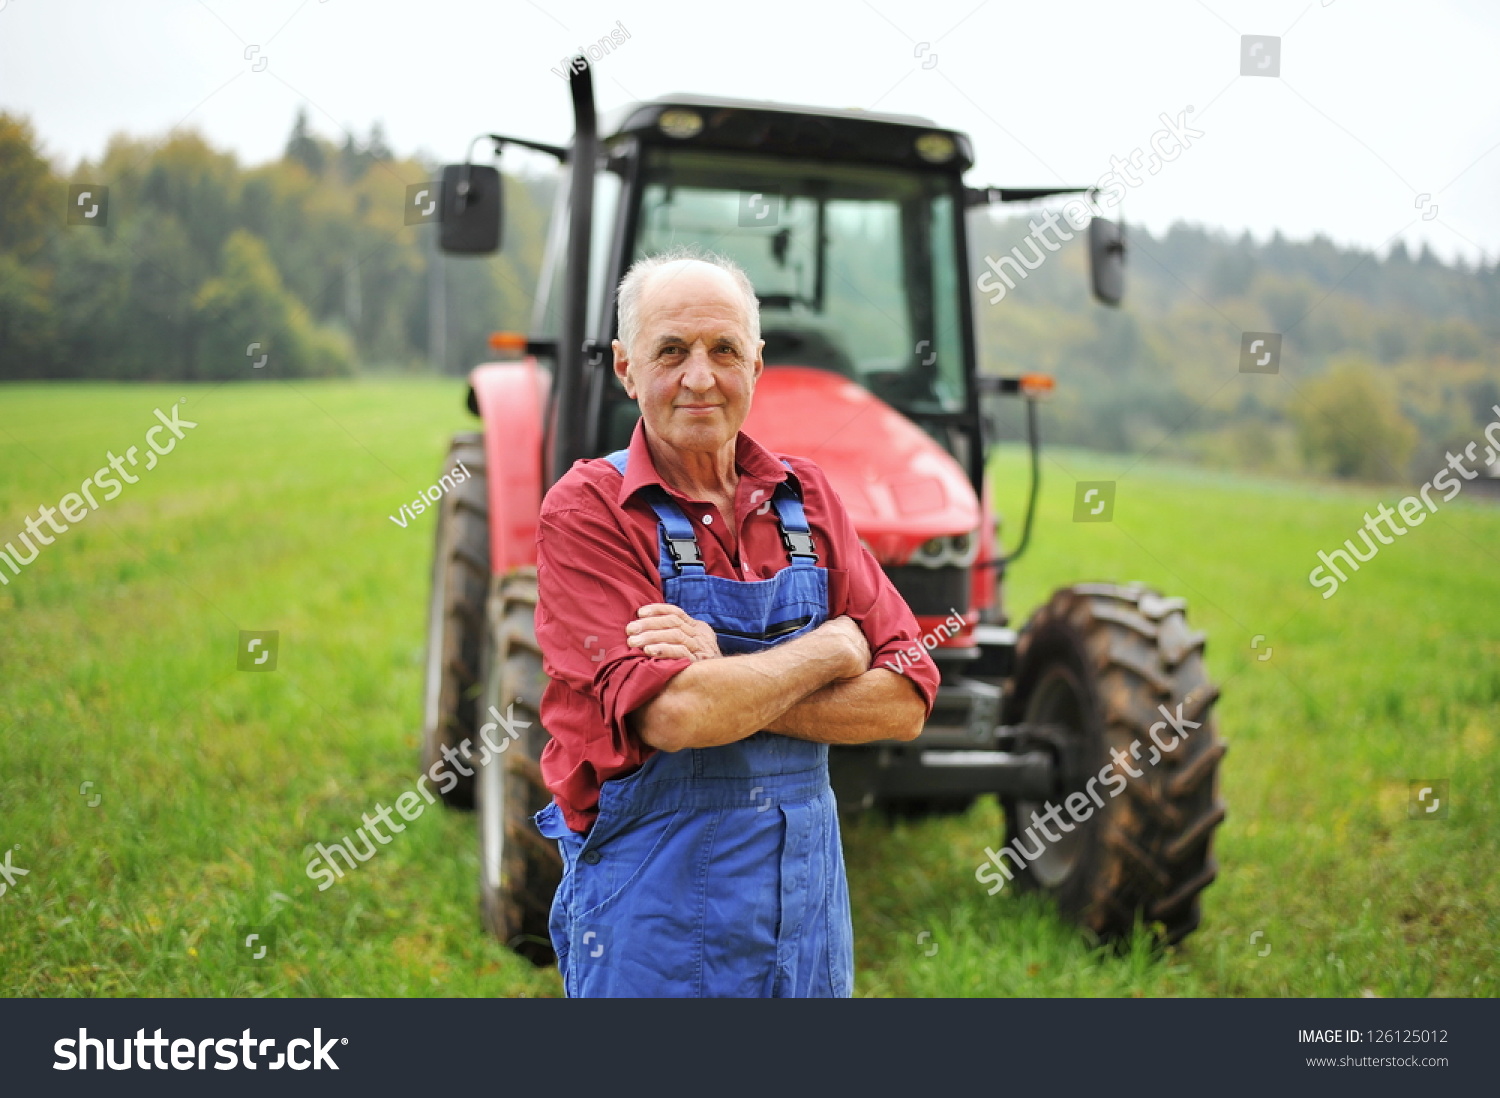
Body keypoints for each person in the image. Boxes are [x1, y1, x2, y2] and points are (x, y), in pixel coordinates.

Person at [532, 248, 939, 997]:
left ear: (756, 364)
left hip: (807, 919)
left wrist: (726, 670)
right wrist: (830, 648)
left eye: (723, 350)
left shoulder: (806, 498)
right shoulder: (589, 511)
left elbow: (908, 699)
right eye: (671, 351)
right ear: (626, 368)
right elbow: (678, 713)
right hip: (653, 919)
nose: (699, 376)